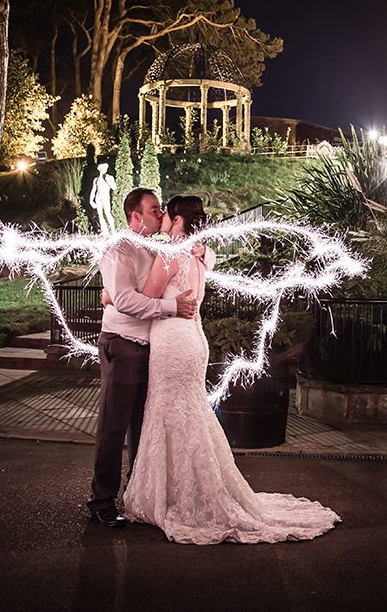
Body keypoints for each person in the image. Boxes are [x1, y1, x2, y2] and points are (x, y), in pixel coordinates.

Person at [118, 195, 341, 544]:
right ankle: (197, 489)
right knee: (190, 415)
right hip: (194, 341)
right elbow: (207, 257)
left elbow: (145, 298)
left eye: (166, 213)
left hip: (172, 340)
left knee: (168, 413)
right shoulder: (198, 257)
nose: (160, 217)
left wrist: (110, 294)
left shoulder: (169, 256)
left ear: (177, 221)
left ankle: (171, 496)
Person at [87, 188, 197, 527]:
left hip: (153, 349)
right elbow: (125, 301)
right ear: (135, 217)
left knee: (143, 426)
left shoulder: (157, 249)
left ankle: (136, 496)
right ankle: (102, 500)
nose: (158, 213)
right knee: (113, 426)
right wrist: (170, 307)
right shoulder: (119, 250)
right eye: (153, 210)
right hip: (122, 344)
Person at [89, 161, 116, 235]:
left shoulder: (109, 177)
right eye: (103, 168)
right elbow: (93, 190)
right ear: (99, 169)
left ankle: (113, 230)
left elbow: (114, 187)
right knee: (100, 215)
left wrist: (107, 180)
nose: (104, 169)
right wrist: (91, 200)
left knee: (107, 213)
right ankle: (105, 231)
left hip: (105, 197)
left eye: (105, 168)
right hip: (98, 198)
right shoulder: (96, 179)